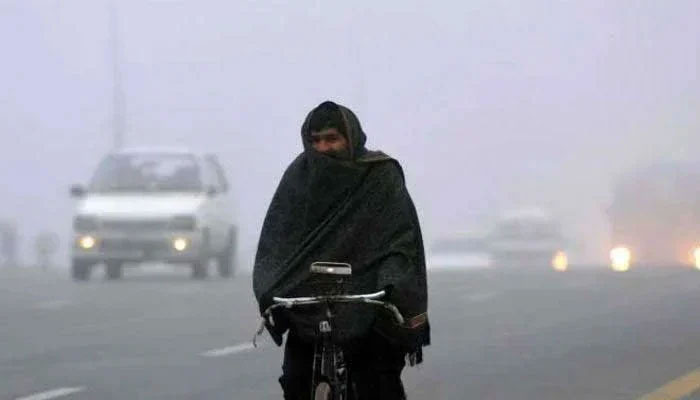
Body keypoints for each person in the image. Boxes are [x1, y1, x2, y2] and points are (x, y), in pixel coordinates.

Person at [253, 101, 429, 400]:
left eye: (332, 138)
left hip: (368, 298)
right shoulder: (298, 177)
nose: (323, 148)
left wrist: (392, 284)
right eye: (315, 140)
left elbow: (398, 240)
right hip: (307, 298)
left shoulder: (379, 176)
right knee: (295, 382)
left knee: (378, 380)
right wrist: (271, 285)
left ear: (351, 138)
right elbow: (277, 240)